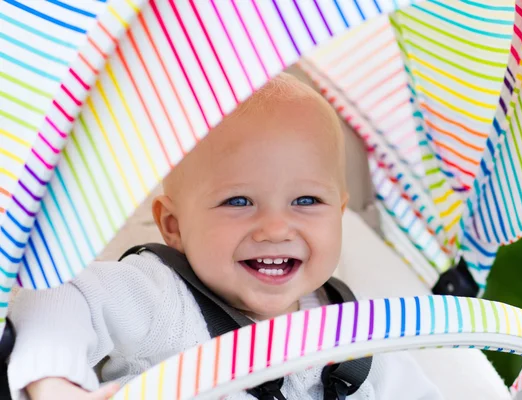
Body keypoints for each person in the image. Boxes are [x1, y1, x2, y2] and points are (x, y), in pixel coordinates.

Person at [7, 73, 442, 400]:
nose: (275, 229)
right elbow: (55, 297)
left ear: (340, 213)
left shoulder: (357, 333)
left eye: (307, 201)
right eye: (238, 202)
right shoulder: (161, 297)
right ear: (173, 226)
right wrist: (55, 383)